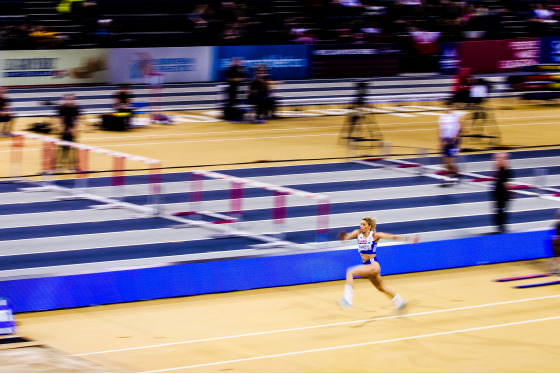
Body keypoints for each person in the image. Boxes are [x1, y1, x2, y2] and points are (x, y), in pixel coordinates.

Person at [338, 216, 419, 311]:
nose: (361, 226)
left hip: (373, 265)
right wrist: (343, 237)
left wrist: (409, 239)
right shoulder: (357, 233)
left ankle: (347, 300)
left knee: (350, 272)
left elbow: (393, 237)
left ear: (369, 226)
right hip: (367, 266)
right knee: (381, 288)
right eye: (361, 224)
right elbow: (346, 238)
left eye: (364, 225)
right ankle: (400, 302)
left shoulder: (374, 236)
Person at [438, 104, 462, 186]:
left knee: (451, 163)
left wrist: (454, 140)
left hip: (453, 142)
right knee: (446, 162)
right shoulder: (442, 117)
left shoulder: (456, 117)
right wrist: (441, 141)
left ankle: (458, 175)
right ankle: (450, 177)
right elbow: (440, 130)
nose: (447, 108)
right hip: (445, 141)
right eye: (446, 107)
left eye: (449, 107)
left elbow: (460, 130)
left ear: (452, 107)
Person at [57, 94, 81, 171]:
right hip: (64, 131)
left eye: (71, 99)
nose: (69, 100)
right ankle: (61, 165)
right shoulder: (62, 107)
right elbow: (60, 118)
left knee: (73, 149)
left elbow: (77, 119)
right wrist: (62, 128)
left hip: (72, 131)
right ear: (64, 99)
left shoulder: (75, 108)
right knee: (62, 149)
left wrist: (74, 129)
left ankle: (73, 166)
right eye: (67, 99)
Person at [491, 152, 513, 233]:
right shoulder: (501, 169)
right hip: (500, 192)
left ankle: (500, 225)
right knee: (501, 210)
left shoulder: (503, 169)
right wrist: (509, 192)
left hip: (499, 191)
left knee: (500, 210)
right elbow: (505, 183)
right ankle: (500, 225)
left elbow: (507, 181)